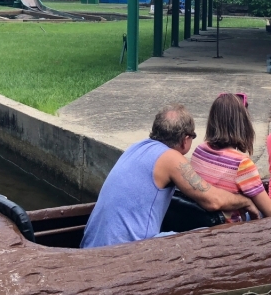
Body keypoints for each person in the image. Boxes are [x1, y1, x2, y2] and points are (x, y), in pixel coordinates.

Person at [81, 104, 260, 248]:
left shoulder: (136, 147)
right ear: (185, 139)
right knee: (208, 237)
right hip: (125, 253)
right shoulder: (171, 159)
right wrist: (245, 201)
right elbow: (212, 201)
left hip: (91, 246)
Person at [190, 93, 271, 222]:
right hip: (229, 227)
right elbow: (270, 210)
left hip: (205, 220)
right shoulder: (242, 164)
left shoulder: (200, 150)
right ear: (242, 124)